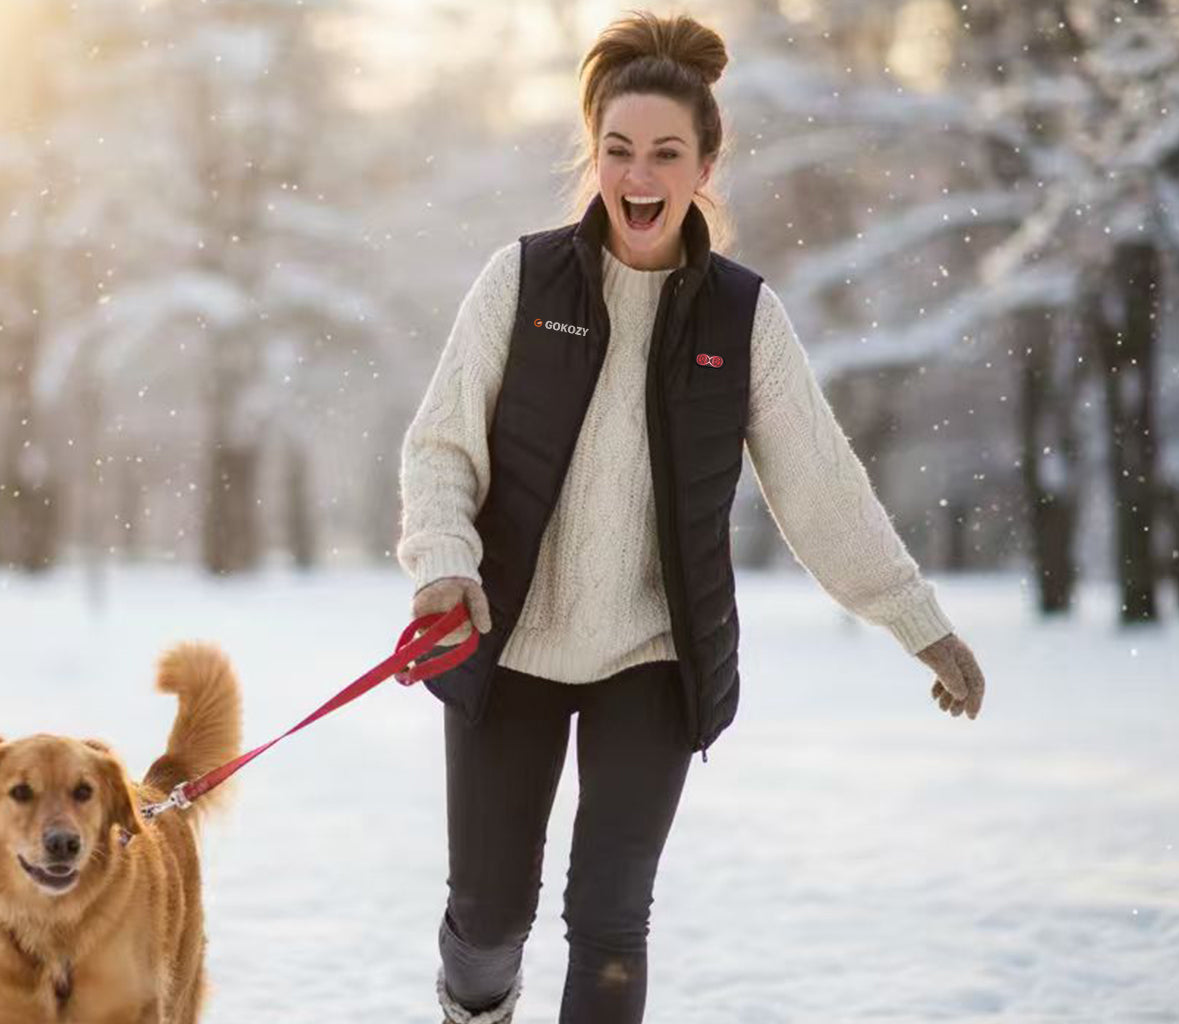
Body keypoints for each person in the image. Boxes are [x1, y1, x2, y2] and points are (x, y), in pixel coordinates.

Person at [395, 10, 989, 1024]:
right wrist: (446, 564)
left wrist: (916, 620)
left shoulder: (740, 318)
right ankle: (473, 1002)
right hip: (509, 642)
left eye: (667, 152)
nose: (640, 175)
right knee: (490, 919)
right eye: (619, 149)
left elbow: (820, 484)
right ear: (594, 154)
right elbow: (440, 446)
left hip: (653, 655)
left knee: (612, 921)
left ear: (707, 161)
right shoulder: (523, 281)